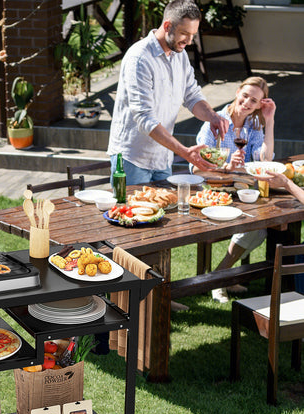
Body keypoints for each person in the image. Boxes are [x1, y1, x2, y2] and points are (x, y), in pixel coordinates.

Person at [107, 0, 228, 184]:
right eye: (184, 33)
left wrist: (212, 116)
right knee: (131, 204)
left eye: (193, 35)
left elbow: (192, 95)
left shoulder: (180, 55)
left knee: (168, 204)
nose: (189, 41)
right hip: (132, 158)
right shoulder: (139, 58)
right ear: (167, 26)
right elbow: (144, 117)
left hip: (162, 157)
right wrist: (185, 152)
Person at [193, 76, 276, 303]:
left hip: (242, 192)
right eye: (245, 96)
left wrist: (269, 121)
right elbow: (196, 165)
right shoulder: (215, 121)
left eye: (254, 100)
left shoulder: (254, 125)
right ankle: (221, 279)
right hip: (214, 192)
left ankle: (220, 275)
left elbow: (264, 159)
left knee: (261, 227)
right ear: (237, 92)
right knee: (255, 227)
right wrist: (226, 166)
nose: (247, 102)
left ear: (259, 105)